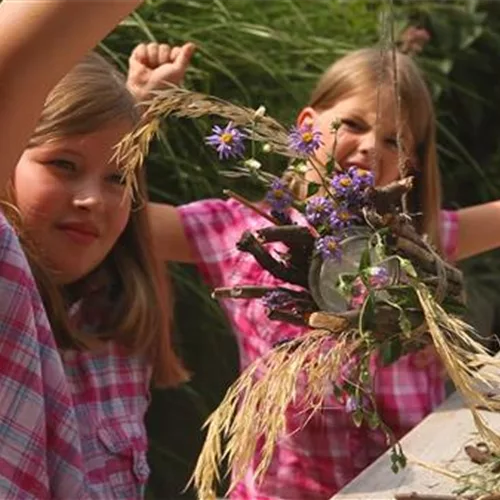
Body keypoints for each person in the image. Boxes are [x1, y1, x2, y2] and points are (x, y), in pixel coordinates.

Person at [128, 43, 500, 498]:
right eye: (354, 125)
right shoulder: (244, 229)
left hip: (405, 486)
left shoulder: (419, 240)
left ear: (411, 165)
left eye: (394, 141)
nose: (369, 147)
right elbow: (125, 218)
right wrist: (139, 107)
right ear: (307, 126)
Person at [0, 1, 143, 497]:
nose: (90, 200)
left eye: (118, 179)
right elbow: (12, 66)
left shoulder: (114, 323)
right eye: (62, 164)